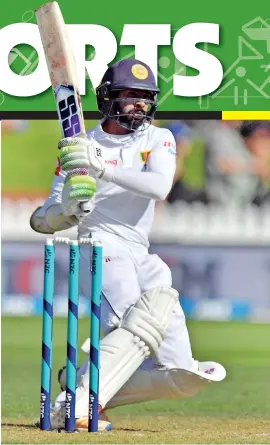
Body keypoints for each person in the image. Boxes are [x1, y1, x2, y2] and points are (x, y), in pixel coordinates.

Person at [30, 59, 226, 431]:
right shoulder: (79, 147)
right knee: (130, 326)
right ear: (110, 97)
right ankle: (76, 407)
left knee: (181, 374)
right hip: (98, 248)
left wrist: (102, 166)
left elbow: (159, 187)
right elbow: (42, 218)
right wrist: (68, 211)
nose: (139, 104)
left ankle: (79, 390)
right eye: (131, 96)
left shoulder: (158, 139)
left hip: (140, 250)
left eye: (145, 97)